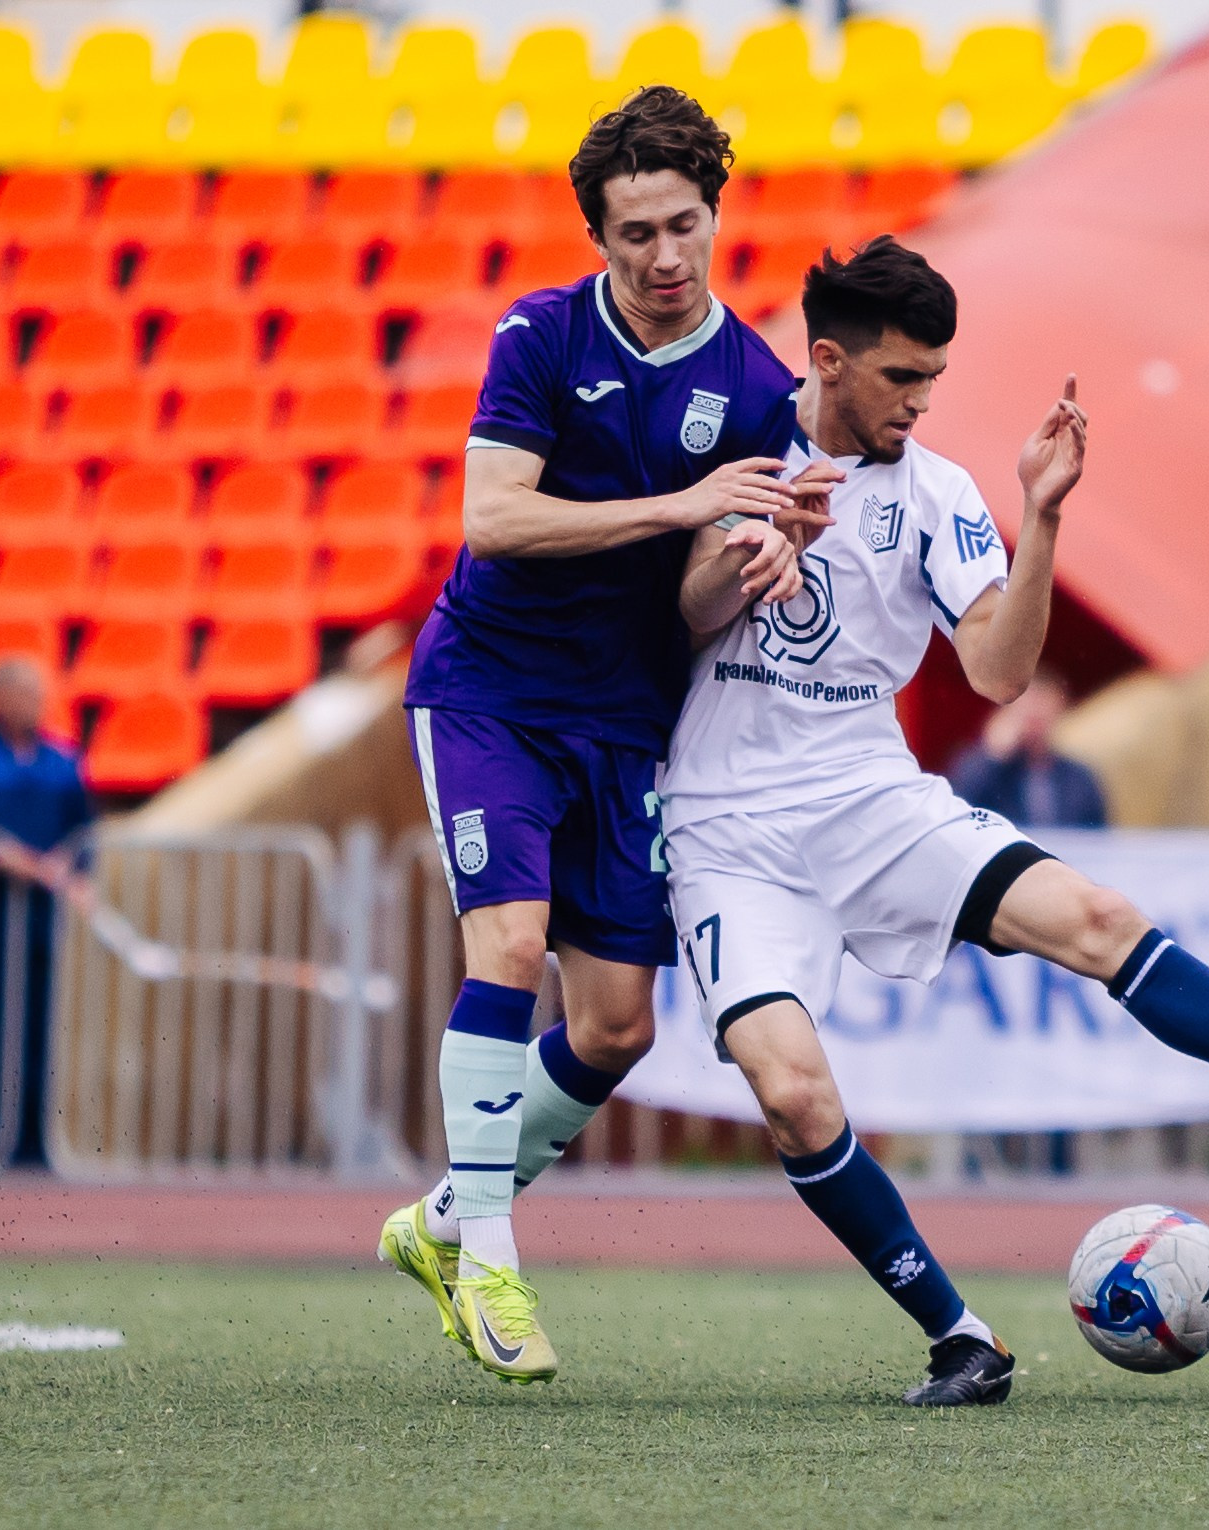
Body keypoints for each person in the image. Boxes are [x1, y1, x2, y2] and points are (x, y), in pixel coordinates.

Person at [658, 239, 1209, 1406]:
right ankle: (960, 1338)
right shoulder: (733, 451)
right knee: (793, 1095)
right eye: (902, 379)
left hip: (870, 795)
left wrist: (1041, 518)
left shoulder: (935, 492)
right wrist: (755, 552)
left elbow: (996, 670)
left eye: (935, 378)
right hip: (727, 828)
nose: (922, 401)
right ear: (827, 361)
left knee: (1095, 915)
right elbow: (675, 621)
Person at [377, 86, 828, 1383]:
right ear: (600, 238)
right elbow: (494, 521)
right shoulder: (537, 336)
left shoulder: (754, 386)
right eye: (634, 234)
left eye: (683, 224)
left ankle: (443, 1216)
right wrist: (681, 503)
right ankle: (493, 1258)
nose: (664, 256)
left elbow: (696, 596)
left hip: (625, 721)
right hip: (488, 694)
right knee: (509, 944)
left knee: (620, 1026)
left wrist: (753, 562)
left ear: (714, 214)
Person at [0, 655, 94, 1168]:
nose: (36, 703)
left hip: (46, 918)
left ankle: (34, 1144)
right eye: (25, 693)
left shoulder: (61, 761)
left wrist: (68, 866)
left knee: (41, 1031)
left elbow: (83, 832)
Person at [946, 668, 1107, 828]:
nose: (1035, 715)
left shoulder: (1078, 778)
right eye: (1027, 708)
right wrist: (994, 755)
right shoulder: (987, 767)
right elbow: (962, 805)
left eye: (1043, 707)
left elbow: (1097, 837)